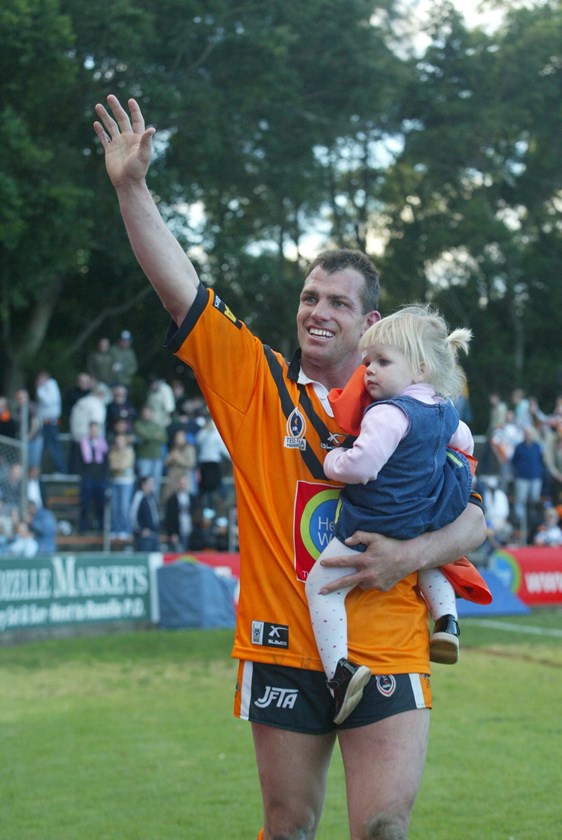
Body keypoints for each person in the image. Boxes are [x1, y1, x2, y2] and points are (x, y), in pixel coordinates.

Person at [94, 95, 486, 840]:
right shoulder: (256, 384)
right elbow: (181, 289)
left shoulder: (415, 406)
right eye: (309, 296)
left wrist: (409, 555)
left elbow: (473, 514)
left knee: (382, 828)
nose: (318, 311)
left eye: (338, 302)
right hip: (281, 641)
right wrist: (131, 188)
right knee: (288, 830)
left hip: (390, 640)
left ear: (370, 323)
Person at [305, 304, 476, 723]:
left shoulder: (387, 413)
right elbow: (466, 443)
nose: (369, 372)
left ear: (418, 367)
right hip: (424, 516)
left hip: (376, 520)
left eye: (382, 361)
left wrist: (334, 461)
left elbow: (363, 466)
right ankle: (448, 622)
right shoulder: (442, 409)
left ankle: (341, 674)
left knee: (321, 586)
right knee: (428, 560)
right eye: (367, 362)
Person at [77, 421, 109, 533]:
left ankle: (101, 528)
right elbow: (80, 461)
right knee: (84, 504)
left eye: (96, 429)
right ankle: (83, 528)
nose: (94, 431)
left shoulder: (103, 443)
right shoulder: (84, 443)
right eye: (92, 429)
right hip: (87, 478)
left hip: (99, 478)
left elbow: (106, 462)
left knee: (101, 505)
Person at [35, 370, 66, 473]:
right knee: (44, 447)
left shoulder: (50, 386)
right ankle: (38, 470)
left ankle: (61, 469)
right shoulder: (48, 387)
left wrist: (39, 388)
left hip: (50, 421)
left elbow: (47, 401)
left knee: (53, 446)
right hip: (45, 422)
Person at [108, 431, 136, 539]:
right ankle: (116, 529)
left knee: (124, 507)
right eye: (117, 441)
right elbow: (112, 465)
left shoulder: (130, 451)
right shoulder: (113, 452)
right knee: (115, 507)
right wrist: (118, 465)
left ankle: (126, 530)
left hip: (126, 482)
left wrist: (117, 465)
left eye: (121, 441)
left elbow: (125, 465)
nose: (119, 443)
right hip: (115, 481)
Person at [130, 475, 161, 551]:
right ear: (143, 485)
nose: (152, 486)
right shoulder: (138, 497)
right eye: (150, 484)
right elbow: (133, 516)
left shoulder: (151, 498)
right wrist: (140, 530)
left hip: (154, 534)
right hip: (144, 536)